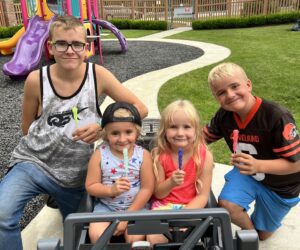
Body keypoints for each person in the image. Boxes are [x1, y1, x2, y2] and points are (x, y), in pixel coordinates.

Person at [0, 15, 148, 250]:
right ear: (50, 47)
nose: (70, 50)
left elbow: (140, 108)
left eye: (77, 44)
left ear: (86, 47)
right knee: (2, 214)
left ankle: (57, 198)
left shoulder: (97, 75)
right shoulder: (35, 80)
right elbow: (27, 128)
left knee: (80, 232)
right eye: (62, 43)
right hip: (33, 162)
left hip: (75, 176)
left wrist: (102, 128)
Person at [204, 62, 300, 241]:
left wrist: (258, 164)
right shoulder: (224, 116)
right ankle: (251, 238)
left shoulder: (276, 116)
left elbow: (297, 163)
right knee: (227, 207)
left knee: (265, 235)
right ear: (216, 98)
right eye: (221, 92)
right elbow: (200, 139)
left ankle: (260, 233)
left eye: (234, 86)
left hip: (281, 186)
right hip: (248, 175)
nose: (230, 95)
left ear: (248, 85)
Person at [85, 102, 154, 244]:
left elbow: (147, 188)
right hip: (106, 207)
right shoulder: (99, 155)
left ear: (137, 132)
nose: (122, 139)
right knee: (96, 235)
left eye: (128, 132)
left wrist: (127, 216)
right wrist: (111, 189)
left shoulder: (143, 155)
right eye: (115, 133)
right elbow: (91, 185)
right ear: (105, 134)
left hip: (137, 207)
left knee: (135, 238)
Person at [147, 100, 214, 245]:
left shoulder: (204, 156)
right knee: (154, 237)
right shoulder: (160, 156)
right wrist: (171, 182)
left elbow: (202, 196)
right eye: (173, 127)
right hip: (163, 207)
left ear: (196, 131)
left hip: (191, 207)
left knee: (190, 239)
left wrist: (184, 217)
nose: (180, 133)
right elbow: (158, 194)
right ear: (164, 130)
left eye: (186, 127)